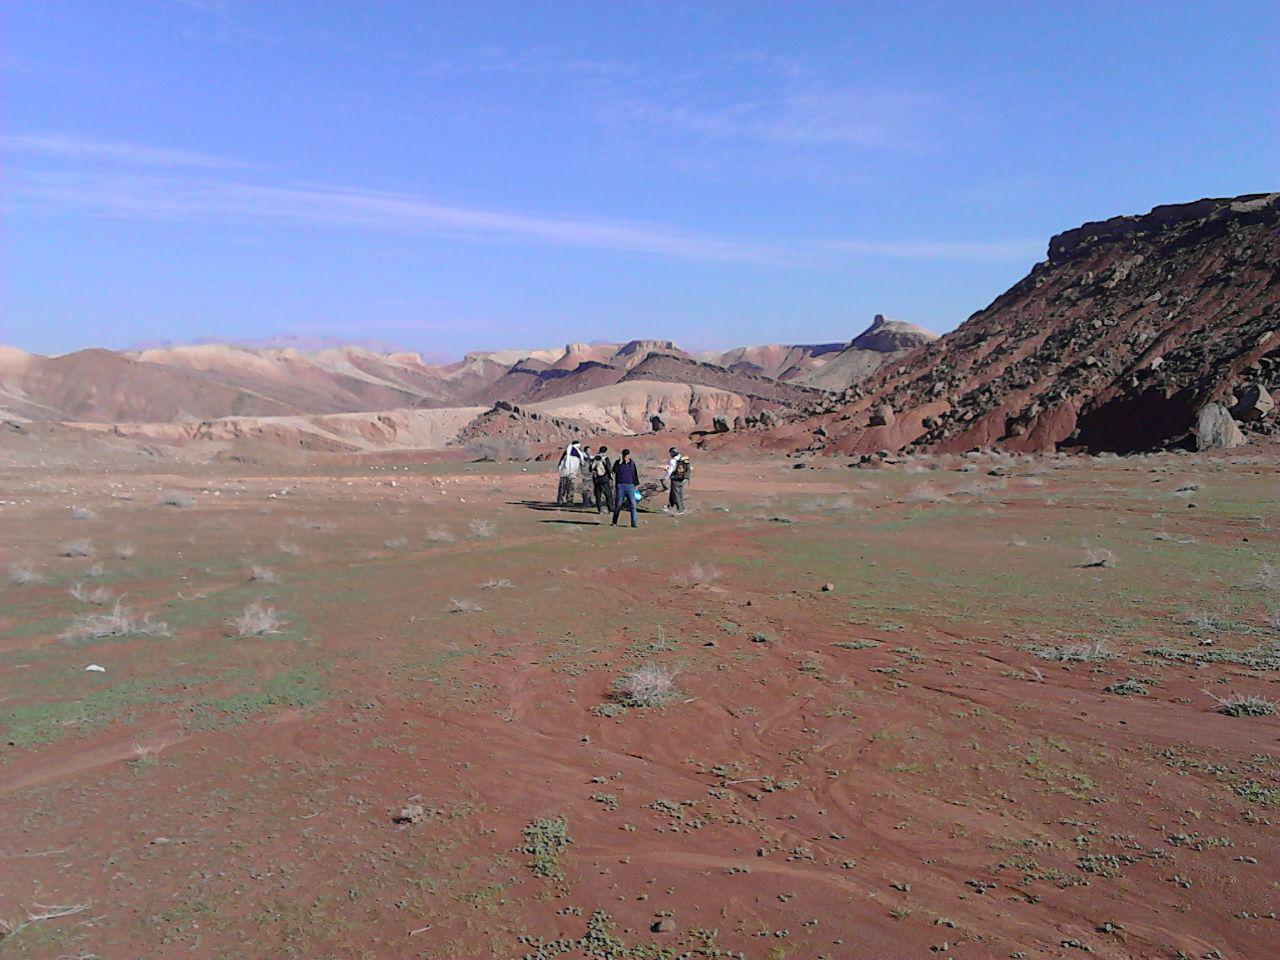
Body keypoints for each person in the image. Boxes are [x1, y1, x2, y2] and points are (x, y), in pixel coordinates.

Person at [611, 448, 641, 527]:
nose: (625, 457)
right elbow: (614, 471)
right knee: (618, 504)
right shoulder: (618, 463)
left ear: (629, 455)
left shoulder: (632, 463)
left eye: (627, 455)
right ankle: (614, 521)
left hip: (630, 486)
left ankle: (634, 523)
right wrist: (619, 463)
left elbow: (634, 474)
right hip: (620, 485)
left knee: (633, 505)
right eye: (624, 455)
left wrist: (636, 485)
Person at [556, 441, 585, 506]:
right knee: (565, 488)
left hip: (569, 474)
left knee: (569, 488)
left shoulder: (574, 454)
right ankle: (564, 501)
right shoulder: (569, 454)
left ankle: (567, 501)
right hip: (567, 473)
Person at [663, 447, 691, 515]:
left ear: (672, 453)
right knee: (677, 493)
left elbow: (670, 470)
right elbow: (688, 469)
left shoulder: (673, 460)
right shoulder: (683, 458)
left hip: (675, 479)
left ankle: (680, 510)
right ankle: (670, 507)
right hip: (682, 479)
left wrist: (665, 477)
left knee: (676, 494)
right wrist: (686, 478)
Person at [589, 445, 614, 515]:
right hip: (605, 479)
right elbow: (608, 469)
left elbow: (590, 469)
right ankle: (611, 509)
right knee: (608, 495)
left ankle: (599, 509)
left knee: (598, 495)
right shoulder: (605, 458)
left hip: (597, 479)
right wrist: (611, 477)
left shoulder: (594, 458)